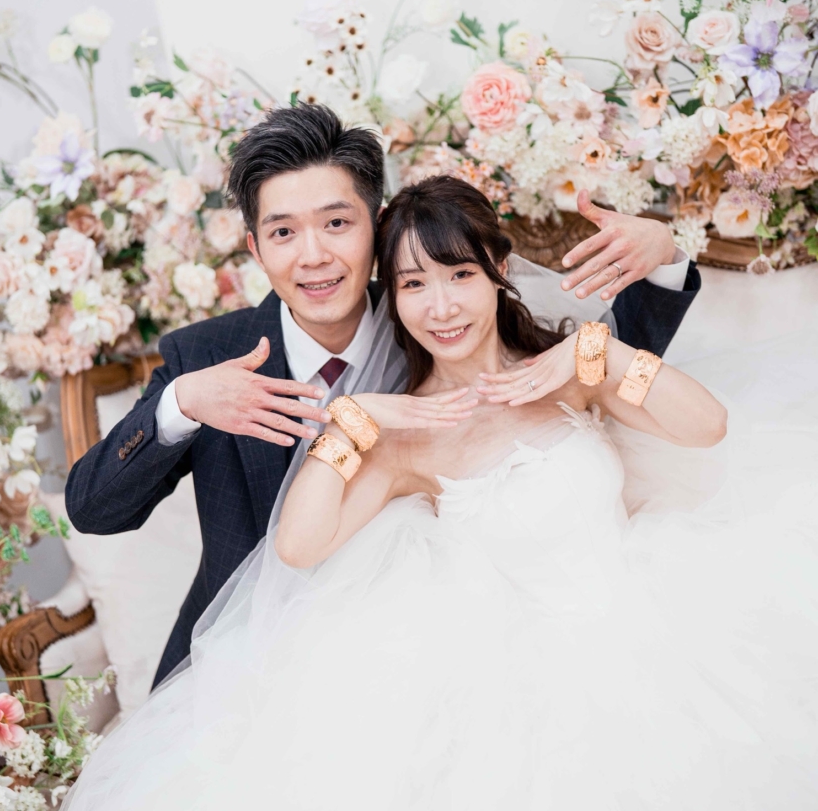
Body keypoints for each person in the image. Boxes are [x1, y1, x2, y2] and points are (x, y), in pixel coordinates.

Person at [63, 176, 818, 810]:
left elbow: (706, 427)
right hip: (515, 683)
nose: (442, 306)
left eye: (460, 276)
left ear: (499, 271)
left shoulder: (567, 368)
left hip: (652, 625)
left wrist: (601, 350)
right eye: (415, 285)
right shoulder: (401, 433)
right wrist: (352, 420)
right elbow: (296, 546)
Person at [64, 103, 700, 686]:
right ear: (254, 247)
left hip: (408, 663)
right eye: (283, 233)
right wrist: (180, 404)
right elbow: (94, 511)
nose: (314, 256)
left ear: (376, 227)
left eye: (337, 223)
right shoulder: (205, 357)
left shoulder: (437, 318)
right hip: (244, 663)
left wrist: (664, 252)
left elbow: (598, 364)